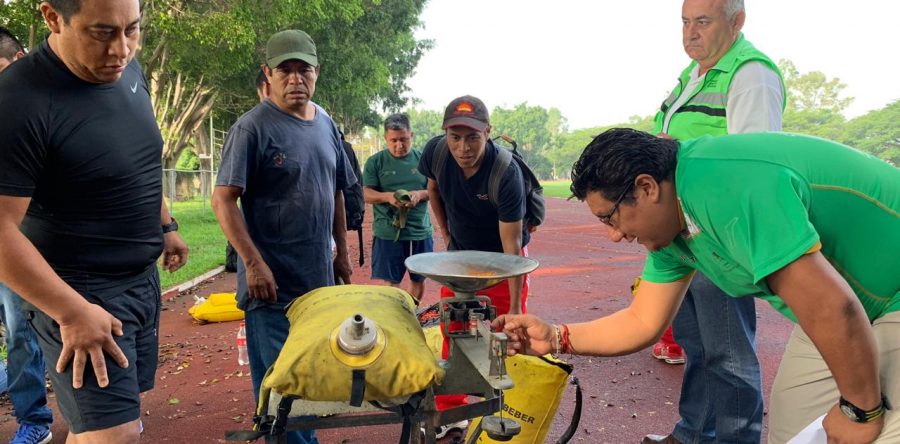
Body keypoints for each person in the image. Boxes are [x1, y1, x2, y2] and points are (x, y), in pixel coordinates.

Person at [496, 128, 899, 444]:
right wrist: (556, 335)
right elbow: (642, 320)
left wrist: (861, 409)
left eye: (611, 218)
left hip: (884, 297)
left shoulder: (722, 186)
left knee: (872, 428)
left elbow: (831, 307)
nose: (614, 235)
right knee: (795, 433)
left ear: (646, 188)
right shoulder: (670, 230)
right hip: (845, 308)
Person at [0, 0, 189, 442]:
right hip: (80, 290)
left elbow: (136, 158)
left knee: (116, 421)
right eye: (102, 32)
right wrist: (71, 311)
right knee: (114, 435)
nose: (121, 49)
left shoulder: (127, 69)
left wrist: (166, 225)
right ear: (52, 18)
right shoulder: (19, 99)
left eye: (133, 30)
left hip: (140, 279)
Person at [640, 0, 786, 442]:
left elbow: (754, 165)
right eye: (685, 22)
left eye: (702, 21)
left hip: (717, 237)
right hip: (685, 233)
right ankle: (694, 433)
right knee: (697, 344)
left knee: (728, 352)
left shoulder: (750, 75)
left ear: (736, 21)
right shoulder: (694, 76)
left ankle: (738, 437)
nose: (690, 33)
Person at [212, 29, 356, 444]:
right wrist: (253, 264)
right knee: (280, 394)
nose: (296, 79)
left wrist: (342, 253)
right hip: (270, 288)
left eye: (304, 70)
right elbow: (223, 201)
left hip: (317, 282)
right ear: (268, 75)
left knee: (310, 382)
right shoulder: (252, 129)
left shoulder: (326, 122)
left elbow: (337, 191)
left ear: (317, 73)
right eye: (285, 70)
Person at [417, 95, 531, 437]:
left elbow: (513, 251)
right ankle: (452, 411)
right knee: (455, 328)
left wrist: (513, 307)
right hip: (461, 257)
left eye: (472, 138)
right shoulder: (436, 152)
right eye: (455, 137)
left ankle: (506, 407)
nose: (463, 147)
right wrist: (446, 232)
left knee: (503, 336)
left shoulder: (504, 173)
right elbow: (433, 190)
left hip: (501, 259)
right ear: (445, 135)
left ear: (488, 133)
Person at [0, 27, 56, 444]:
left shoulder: (41, 106)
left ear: (19, 60)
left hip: (24, 241)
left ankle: (35, 419)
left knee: (23, 330)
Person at [363, 113, 433, 304]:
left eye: (403, 139)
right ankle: (392, 316)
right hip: (388, 232)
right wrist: (387, 197)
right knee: (390, 283)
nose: (399, 145)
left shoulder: (424, 160)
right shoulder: (375, 162)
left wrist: (419, 195)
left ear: (412, 135)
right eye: (393, 140)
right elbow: (366, 194)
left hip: (419, 231)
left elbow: (436, 190)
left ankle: (409, 312)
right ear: (385, 138)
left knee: (418, 278)